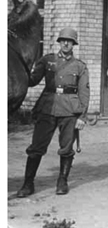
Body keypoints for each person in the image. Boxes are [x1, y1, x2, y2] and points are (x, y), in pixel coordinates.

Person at [17, 27, 90, 197]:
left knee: (66, 148)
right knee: (36, 147)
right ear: (59, 42)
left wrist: (82, 116)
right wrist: (22, 66)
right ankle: (28, 184)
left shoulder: (80, 66)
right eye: (63, 40)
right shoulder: (47, 61)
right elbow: (32, 81)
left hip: (69, 111)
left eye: (69, 41)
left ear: (73, 44)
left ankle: (62, 181)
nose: (66, 43)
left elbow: (84, 92)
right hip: (47, 108)